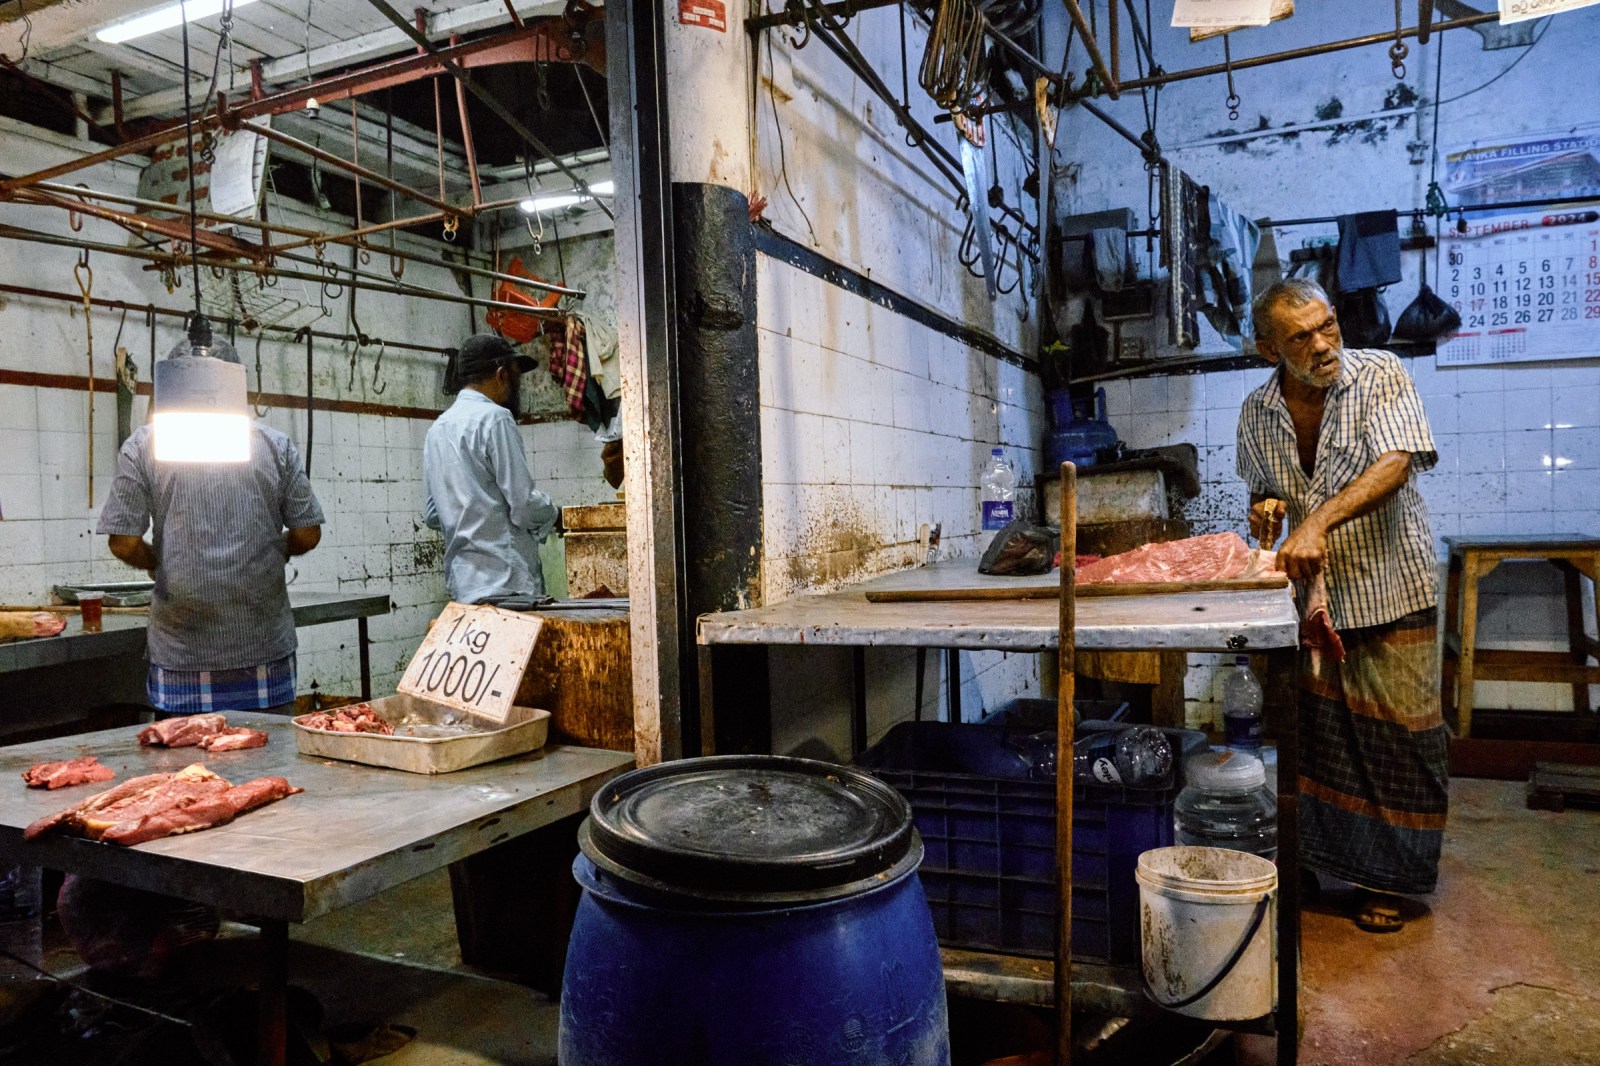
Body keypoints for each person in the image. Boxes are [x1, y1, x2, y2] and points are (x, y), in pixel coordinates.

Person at [1235, 277, 1448, 933]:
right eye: (1302, 336)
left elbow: (1396, 464)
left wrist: (1317, 522)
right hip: (1315, 600)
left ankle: (1391, 878)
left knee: (1401, 739)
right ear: (1270, 349)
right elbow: (1266, 494)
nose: (1325, 344)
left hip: (1391, 582)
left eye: (1328, 325)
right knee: (1315, 742)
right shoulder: (1256, 411)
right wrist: (1268, 507)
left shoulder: (1379, 373)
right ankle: (1314, 859)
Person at [98, 341, 325, 715]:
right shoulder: (275, 445)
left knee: (185, 772)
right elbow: (307, 533)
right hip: (263, 652)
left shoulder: (143, 446)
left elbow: (123, 542)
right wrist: (279, 548)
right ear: (236, 386)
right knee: (272, 766)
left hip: (182, 655)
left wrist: (159, 559)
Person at [423, 333, 558, 608]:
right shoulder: (496, 419)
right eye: (516, 377)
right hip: (508, 585)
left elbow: (432, 514)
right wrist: (556, 515)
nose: (517, 387)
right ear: (501, 375)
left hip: (464, 587)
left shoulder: (438, 428)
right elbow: (522, 504)